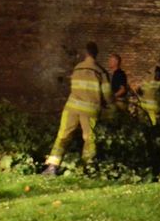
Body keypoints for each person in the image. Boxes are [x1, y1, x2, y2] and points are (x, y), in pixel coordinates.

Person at [42, 42, 111, 176]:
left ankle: (52, 167)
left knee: (63, 135)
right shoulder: (100, 71)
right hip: (89, 110)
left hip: (72, 107)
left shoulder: (77, 68)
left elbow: (73, 86)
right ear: (96, 54)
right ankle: (86, 168)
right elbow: (107, 93)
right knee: (89, 138)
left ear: (86, 53)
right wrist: (112, 106)